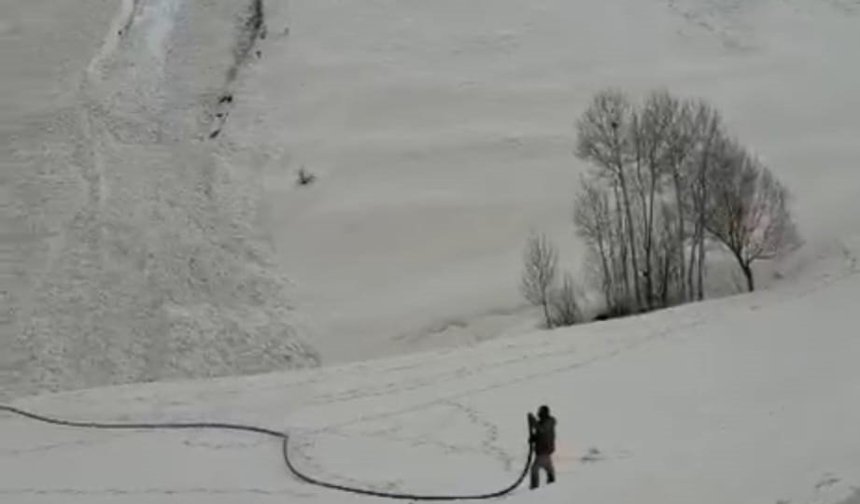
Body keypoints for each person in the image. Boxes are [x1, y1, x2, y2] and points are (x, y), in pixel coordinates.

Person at [528, 405, 556, 490]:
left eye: (540, 412)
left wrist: (533, 421)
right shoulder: (543, 423)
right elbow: (541, 434)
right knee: (548, 468)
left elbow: (542, 430)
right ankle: (552, 483)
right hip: (544, 451)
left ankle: (534, 488)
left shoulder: (548, 423)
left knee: (534, 469)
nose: (539, 414)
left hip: (543, 451)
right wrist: (534, 438)